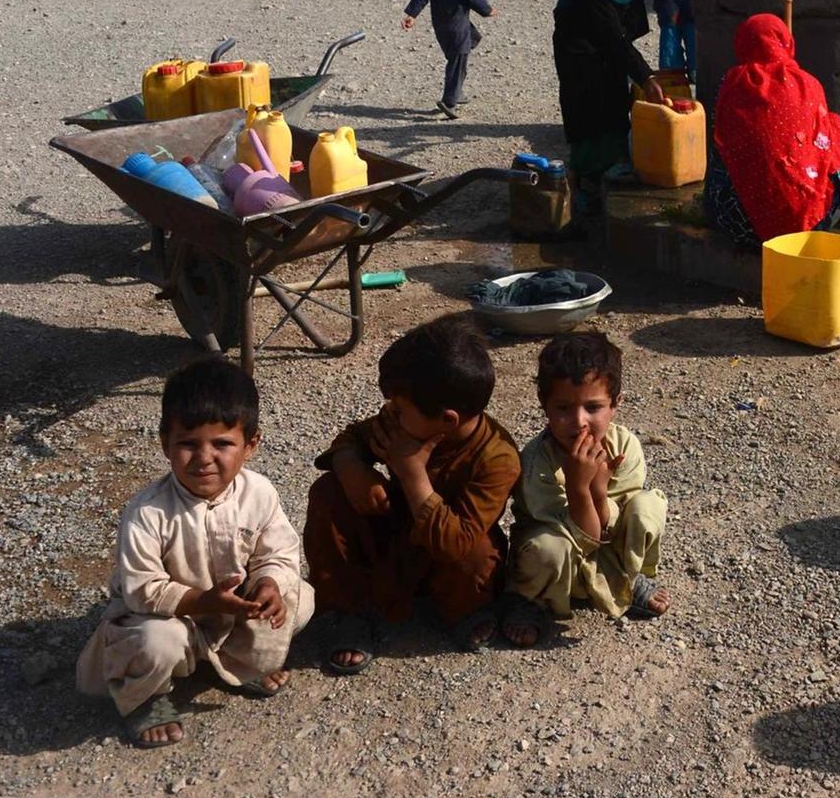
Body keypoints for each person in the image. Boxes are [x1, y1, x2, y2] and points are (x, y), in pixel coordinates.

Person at [76, 359, 315, 748]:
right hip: (167, 620)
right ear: (165, 444)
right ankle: (145, 699)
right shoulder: (148, 511)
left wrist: (269, 583)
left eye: (222, 443)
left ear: (250, 445)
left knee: (299, 599)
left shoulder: (260, 493)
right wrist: (203, 601)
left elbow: (279, 550)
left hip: (231, 613)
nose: (204, 457)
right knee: (156, 643)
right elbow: (141, 590)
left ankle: (241, 664)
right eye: (188, 444)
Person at [303, 314, 523, 673]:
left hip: (449, 553)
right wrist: (351, 468)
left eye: (399, 407)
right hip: (395, 536)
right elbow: (353, 438)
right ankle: (349, 614)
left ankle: (461, 610)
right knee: (330, 492)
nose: (390, 411)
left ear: (448, 420)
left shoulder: (497, 458)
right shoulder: (401, 422)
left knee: (479, 552)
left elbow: (455, 544)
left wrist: (411, 471)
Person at [500, 333, 669, 647]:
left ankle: (631, 579)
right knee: (546, 548)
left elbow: (607, 530)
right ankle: (528, 602)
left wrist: (599, 491)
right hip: (562, 564)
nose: (578, 422)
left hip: (607, 549)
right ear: (544, 406)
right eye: (563, 407)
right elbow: (583, 541)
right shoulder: (537, 461)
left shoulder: (625, 447)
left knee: (648, 506)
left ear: (615, 404)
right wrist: (580, 486)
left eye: (593, 407)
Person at [702, 13, 840, 246]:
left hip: (738, 226)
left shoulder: (731, 84)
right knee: (836, 132)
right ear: (787, 43)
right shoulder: (809, 84)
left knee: (721, 145)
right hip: (807, 227)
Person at [554, 0, 669, 216]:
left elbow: (617, 41)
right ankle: (583, 184)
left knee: (615, 106)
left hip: (607, 52)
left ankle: (608, 173)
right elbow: (615, 41)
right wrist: (647, 77)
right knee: (588, 112)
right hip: (579, 55)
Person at [402, 0, 496, 120]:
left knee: (472, 40)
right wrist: (488, 11)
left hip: (443, 28)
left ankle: (457, 92)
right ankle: (450, 101)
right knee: (457, 63)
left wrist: (411, 14)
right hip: (458, 30)